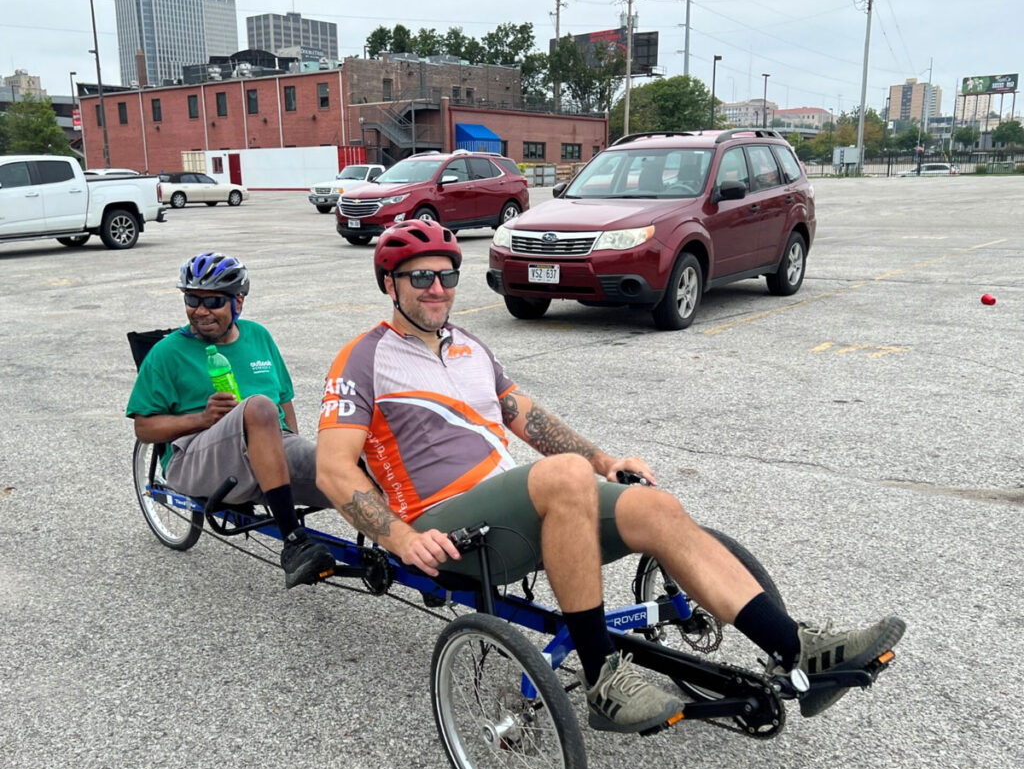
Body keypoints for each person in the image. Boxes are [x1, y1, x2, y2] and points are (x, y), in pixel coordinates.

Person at [316, 219, 905, 733]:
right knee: (563, 476)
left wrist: (603, 461)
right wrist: (399, 537)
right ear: (390, 284)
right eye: (420, 277)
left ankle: (797, 649)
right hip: (446, 529)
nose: (437, 288)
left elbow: (531, 419)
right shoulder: (363, 360)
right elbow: (334, 469)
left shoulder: (470, 348)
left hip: (513, 512)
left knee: (655, 507)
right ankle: (603, 680)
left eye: (447, 275)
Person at [127, 252, 335, 589]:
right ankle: (294, 542)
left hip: (268, 445)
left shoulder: (259, 337)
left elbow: (285, 402)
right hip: (196, 455)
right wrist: (202, 418)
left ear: (238, 302)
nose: (201, 310)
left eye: (213, 302)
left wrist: (290, 456)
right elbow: (144, 428)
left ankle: (415, 555)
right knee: (258, 407)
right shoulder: (166, 353)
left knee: (350, 471)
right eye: (192, 299)